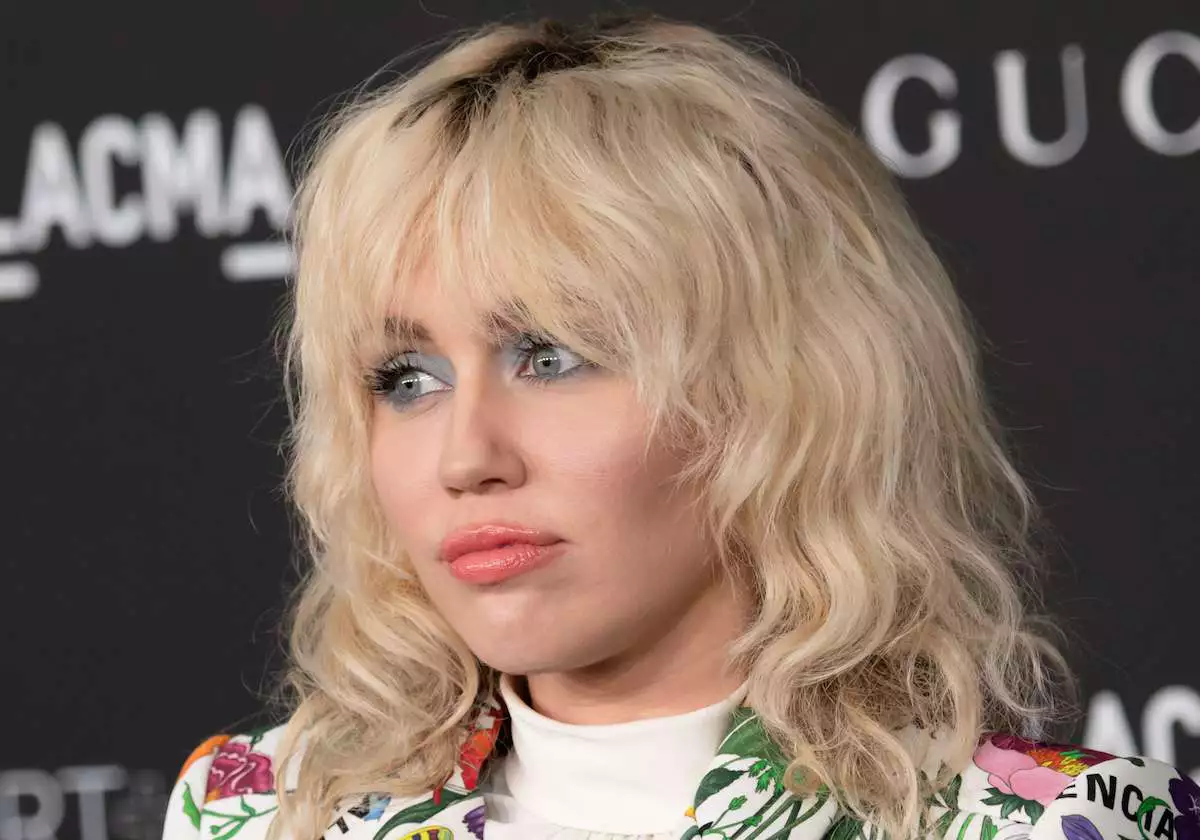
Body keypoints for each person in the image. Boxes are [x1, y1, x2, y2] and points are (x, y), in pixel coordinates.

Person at [161, 13, 1195, 840]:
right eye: (407, 377)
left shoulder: (1048, 826)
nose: (466, 457)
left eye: (550, 356)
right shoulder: (258, 813)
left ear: (782, 388)